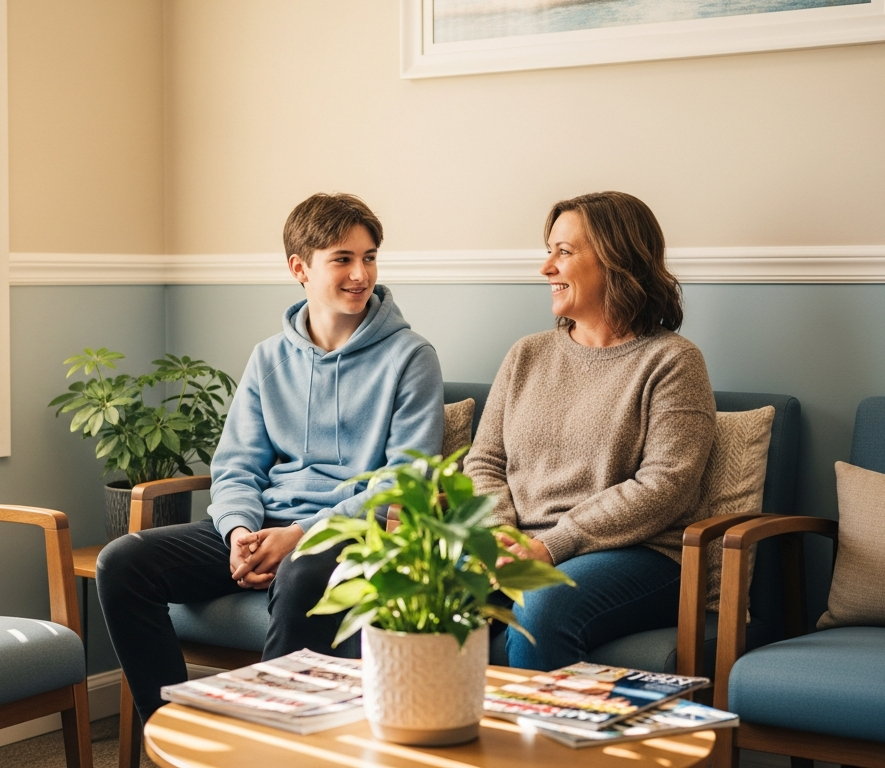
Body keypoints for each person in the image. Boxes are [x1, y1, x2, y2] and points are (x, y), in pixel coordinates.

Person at [97, 193, 444, 721]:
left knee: (303, 572)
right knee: (123, 562)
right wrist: (239, 532)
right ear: (299, 268)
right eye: (343, 259)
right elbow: (236, 465)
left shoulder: (411, 357)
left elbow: (407, 483)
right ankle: (172, 734)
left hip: (347, 534)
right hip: (263, 525)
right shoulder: (269, 358)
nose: (361, 273)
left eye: (369, 257)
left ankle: (269, 744)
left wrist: (303, 535)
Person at [466, 191, 716, 672]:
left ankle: (540, 748)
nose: (546, 268)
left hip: (638, 555)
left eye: (564, 252)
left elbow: (665, 485)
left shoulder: (672, 361)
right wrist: (498, 534)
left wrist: (552, 545)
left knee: (542, 603)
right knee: (425, 586)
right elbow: (484, 461)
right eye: (548, 250)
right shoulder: (527, 354)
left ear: (617, 261)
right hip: (519, 541)